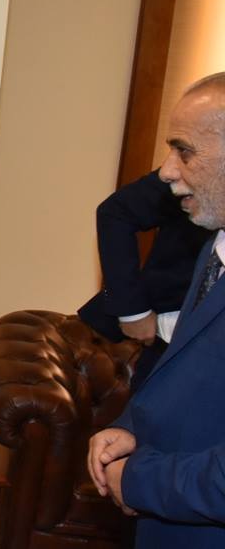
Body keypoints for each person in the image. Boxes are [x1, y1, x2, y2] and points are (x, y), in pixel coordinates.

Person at [88, 72, 225, 548]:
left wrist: (139, 480)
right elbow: (187, 376)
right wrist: (132, 429)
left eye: (184, 151)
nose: (166, 171)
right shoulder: (214, 248)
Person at [78, 169, 209, 390]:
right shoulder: (195, 165)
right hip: (169, 346)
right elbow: (118, 211)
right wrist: (133, 311)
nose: (169, 167)